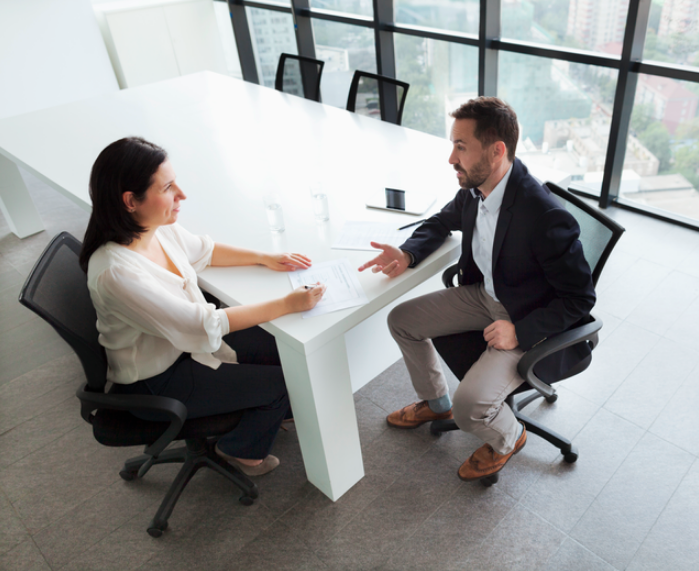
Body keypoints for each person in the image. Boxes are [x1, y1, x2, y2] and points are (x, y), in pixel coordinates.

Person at [359, 97, 595, 482]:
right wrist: (407, 253)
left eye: (461, 146)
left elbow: (580, 299)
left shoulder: (545, 216)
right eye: (453, 145)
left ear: (497, 150)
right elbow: (440, 221)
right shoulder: (475, 188)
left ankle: (509, 437)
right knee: (402, 320)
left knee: (469, 409)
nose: (451, 158)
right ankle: (435, 403)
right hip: (485, 294)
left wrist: (520, 331)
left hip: (526, 315)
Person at [79, 137, 326, 476]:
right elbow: (202, 326)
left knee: (278, 345)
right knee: (287, 382)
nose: (181, 194)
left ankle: (259, 410)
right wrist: (287, 303)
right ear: (130, 201)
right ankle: (240, 451)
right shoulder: (117, 272)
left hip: (184, 346)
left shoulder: (156, 228)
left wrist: (265, 258)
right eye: (168, 187)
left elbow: (204, 251)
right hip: (158, 379)